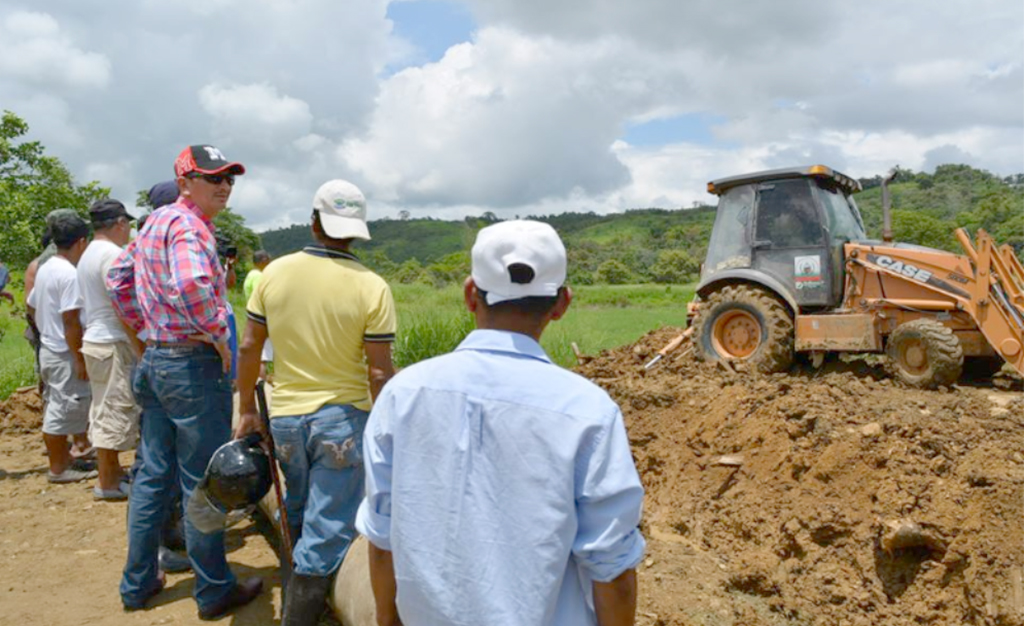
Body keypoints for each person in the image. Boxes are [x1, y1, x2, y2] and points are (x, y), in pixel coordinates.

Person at [356, 220, 646, 626]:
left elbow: (382, 534)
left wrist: (387, 619)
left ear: (470, 294)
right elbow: (611, 566)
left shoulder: (402, 394)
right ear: (562, 303)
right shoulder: (588, 412)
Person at [108, 144, 262, 618]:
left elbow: (118, 277)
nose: (223, 186)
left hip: (156, 361)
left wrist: (149, 330)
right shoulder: (191, 227)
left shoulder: (155, 222)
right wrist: (219, 336)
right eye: (212, 177)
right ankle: (214, 589)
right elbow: (194, 284)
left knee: (153, 475)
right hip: (191, 365)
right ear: (185, 182)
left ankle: (137, 583)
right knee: (205, 481)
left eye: (229, 178)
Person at [236, 180, 396, 625]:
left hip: (285, 419)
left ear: (313, 221)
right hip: (343, 424)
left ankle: (299, 599)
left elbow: (250, 347)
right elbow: (379, 372)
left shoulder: (274, 273)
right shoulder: (372, 286)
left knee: (299, 509)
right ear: (356, 231)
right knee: (329, 529)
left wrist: (248, 407)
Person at [26, 211, 96, 483]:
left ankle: (64, 460)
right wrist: (79, 359)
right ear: (81, 242)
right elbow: (71, 321)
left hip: (49, 348)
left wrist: (45, 325)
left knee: (58, 404)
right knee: (62, 410)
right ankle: (58, 468)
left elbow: (31, 304)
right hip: (63, 352)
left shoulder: (46, 268)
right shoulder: (69, 274)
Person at [77, 199, 140, 501]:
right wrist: (140, 346)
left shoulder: (89, 252)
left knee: (103, 408)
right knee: (115, 410)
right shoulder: (113, 255)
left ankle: (110, 475)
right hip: (113, 339)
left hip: (96, 339)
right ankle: (108, 483)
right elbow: (124, 305)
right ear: (120, 224)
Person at [243, 250, 274, 380]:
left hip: (253, 317)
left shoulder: (250, 275)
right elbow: (262, 296)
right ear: (263, 260)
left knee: (262, 355)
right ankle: (263, 385)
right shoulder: (259, 276)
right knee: (265, 356)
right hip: (263, 318)